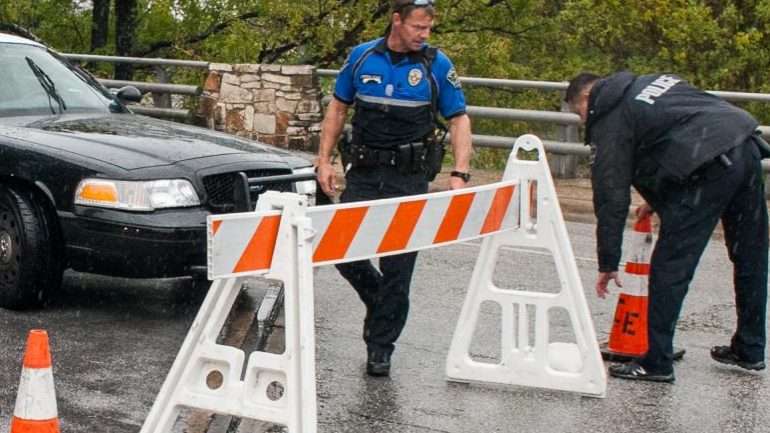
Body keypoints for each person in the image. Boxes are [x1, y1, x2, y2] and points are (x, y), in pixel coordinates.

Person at [565, 71, 768, 382]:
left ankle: (656, 361)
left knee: (670, 267)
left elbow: (611, 195)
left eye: (577, 111)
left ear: (585, 99)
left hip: (708, 166)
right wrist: (658, 200)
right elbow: (671, 135)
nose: (581, 121)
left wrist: (608, 260)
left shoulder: (611, 116)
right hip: (744, 145)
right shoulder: (649, 83)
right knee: (749, 255)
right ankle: (750, 349)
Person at [315, 0, 473, 377]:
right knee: (341, 249)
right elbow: (338, 108)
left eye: (429, 29)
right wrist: (323, 159)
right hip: (365, 173)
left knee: (398, 267)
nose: (424, 34)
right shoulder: (362, 57)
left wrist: (460, 173)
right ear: (397, 21)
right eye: (418, 27)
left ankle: (380, 347)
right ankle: (379, 300)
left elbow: (459, 120)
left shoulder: (436, 65)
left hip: (408, 178)